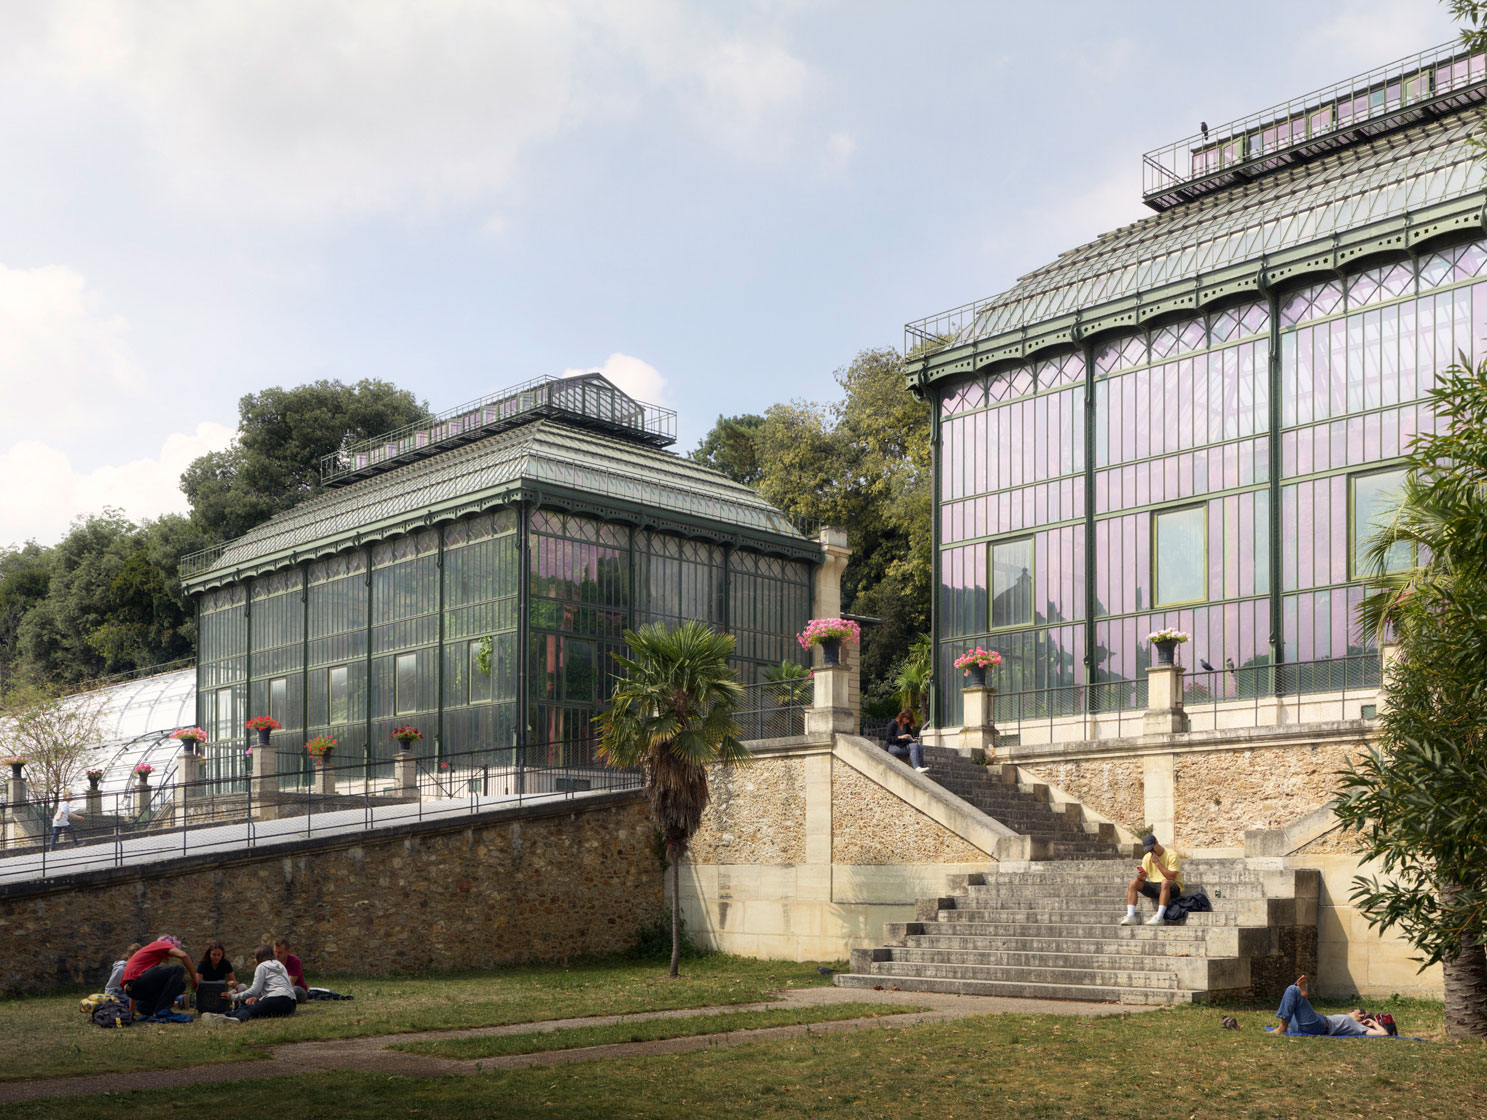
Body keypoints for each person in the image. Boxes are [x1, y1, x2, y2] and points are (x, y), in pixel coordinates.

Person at [1269, 974, 1398, 1037]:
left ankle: (1282, 1028)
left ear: (1361, 1016)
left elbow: (1384, 1034)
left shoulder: (1357, 1026)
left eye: (1354, 1010)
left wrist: (1372, 1022)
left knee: (1292, 990)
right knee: (1293, 992)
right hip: (1305, 1024)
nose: (1350, 1011)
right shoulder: (1349, 1023)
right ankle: (1302, 992)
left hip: (1316, 1026)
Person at [202, 945, 297, 1025]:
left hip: (277, 998)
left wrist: (233, 997)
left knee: (253, 1010)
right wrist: (257, 998)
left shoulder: (262, 966)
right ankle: (224, 1015)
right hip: (291, 1004)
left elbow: (254, 990)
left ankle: (236, 1019)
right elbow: (272, 986)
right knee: (251, 1006)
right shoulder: (280, 965)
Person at [120, 935, 198, 1019]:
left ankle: (146, 1009)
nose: (170, 957)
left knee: (181, 985)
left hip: (133, 989)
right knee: (178, 969)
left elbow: (133, 984)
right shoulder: (161, 944)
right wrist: (194, 979)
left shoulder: (150, 959)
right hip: (137, 983)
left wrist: (131, 1012)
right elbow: (183, 955)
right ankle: (162, 1010)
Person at [1120, 833, 1183, 925]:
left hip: (1172, 887)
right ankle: (1130, 916)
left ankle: (1159, 917)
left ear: (1156, 842)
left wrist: (1158, 863)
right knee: (1133, 883)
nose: (1151, 852)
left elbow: (1172, 877)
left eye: (1152, 849)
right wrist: (1140, 877)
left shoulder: (1171, 854)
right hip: (1155, 886)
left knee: (1165, 882)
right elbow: (1144, 879)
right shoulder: (1147, 858)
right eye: (1148, 850)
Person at [274, 938, 309, 1002]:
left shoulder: (295, 961)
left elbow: (290, 984)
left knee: (295, 991)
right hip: (279, 989)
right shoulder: (272, 962)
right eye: (275, 952)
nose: (276, 955)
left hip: (296, 989)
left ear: (287, 951)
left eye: (280, 952)